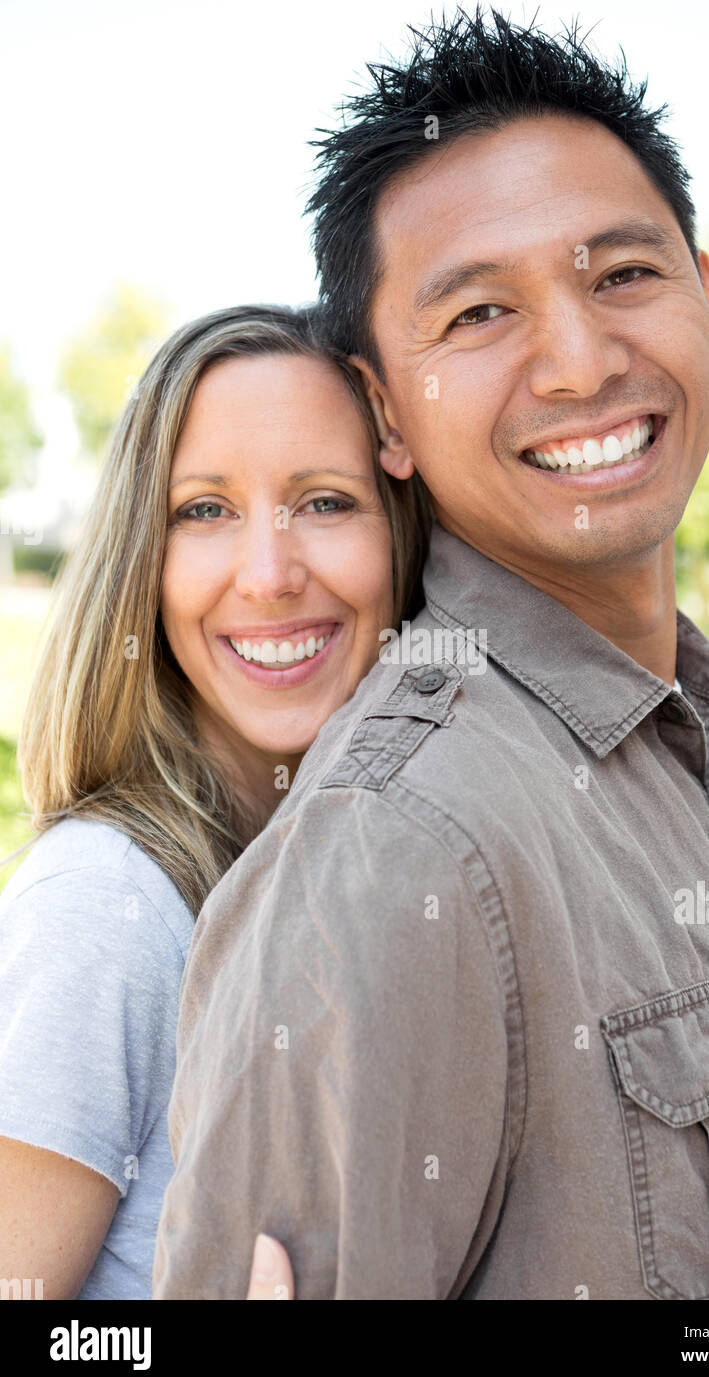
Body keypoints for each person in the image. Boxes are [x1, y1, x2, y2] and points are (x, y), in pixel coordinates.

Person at [153, 11, 709, 1300]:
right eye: (480, 311)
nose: (583, 361)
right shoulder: (397, 844)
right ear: (382, 411)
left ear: (706, 304)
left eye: (622, 277)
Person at [0, 303, 431, 1299]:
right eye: (204, 510)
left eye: (325, 501)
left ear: (400, 538)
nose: (271, 574)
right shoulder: (104, 908)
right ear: (139, 567)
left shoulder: (373, 889)